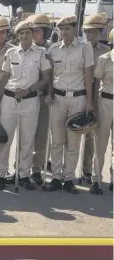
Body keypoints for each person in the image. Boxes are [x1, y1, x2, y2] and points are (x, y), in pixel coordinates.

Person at [0, 21, 51, 191]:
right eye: (21, 33)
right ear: (17, 36)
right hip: (10, 99)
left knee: (27, 139)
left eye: (27, 33)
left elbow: (46, 78)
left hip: (31, 99)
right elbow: (4, 78)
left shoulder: (41, 53)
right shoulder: (11, 53)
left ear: (33, 34)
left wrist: (30, 89)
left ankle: (24, 174)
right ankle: (0, 174)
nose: (24, 36)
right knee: (6, 139)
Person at [43, 16, 94, 194]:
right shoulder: (53, 49)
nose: (64, 32)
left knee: (73, 141)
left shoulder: (84, 48)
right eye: (61, 29)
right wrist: (49, 93)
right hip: (58, 98)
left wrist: (89, 101)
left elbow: (88, 75)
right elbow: (49, 75)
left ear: (75, 29)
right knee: (56, 140)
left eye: (67, 28)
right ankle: (56, 177)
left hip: (78, 98)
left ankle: (69, 178)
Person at [80, 14, 110, 185]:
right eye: (86, 32)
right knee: (72, 132)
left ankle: (87, 170)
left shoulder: (105, 52)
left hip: (97, 96)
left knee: (92, 134)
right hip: (78, 93)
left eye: (92, 32)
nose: (88, 35)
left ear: (100, 32)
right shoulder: (80, 49)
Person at [26, 14, 54, 184]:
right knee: (25, 134)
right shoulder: (23, 48)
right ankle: (22, 167)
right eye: (32, 31)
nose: (33, 34)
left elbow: (52, 76)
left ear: (45, 32)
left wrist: (50, 93)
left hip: (43, 97)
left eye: (37, 31)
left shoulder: (51, 51)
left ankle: (37, 169)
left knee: (42, 135)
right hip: (27, 97)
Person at [92, 29, 113, 193]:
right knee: (101, 143)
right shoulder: (104, 59)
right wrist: (92, 107)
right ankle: (96, 179)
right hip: (105, 101)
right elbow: (96, 83)